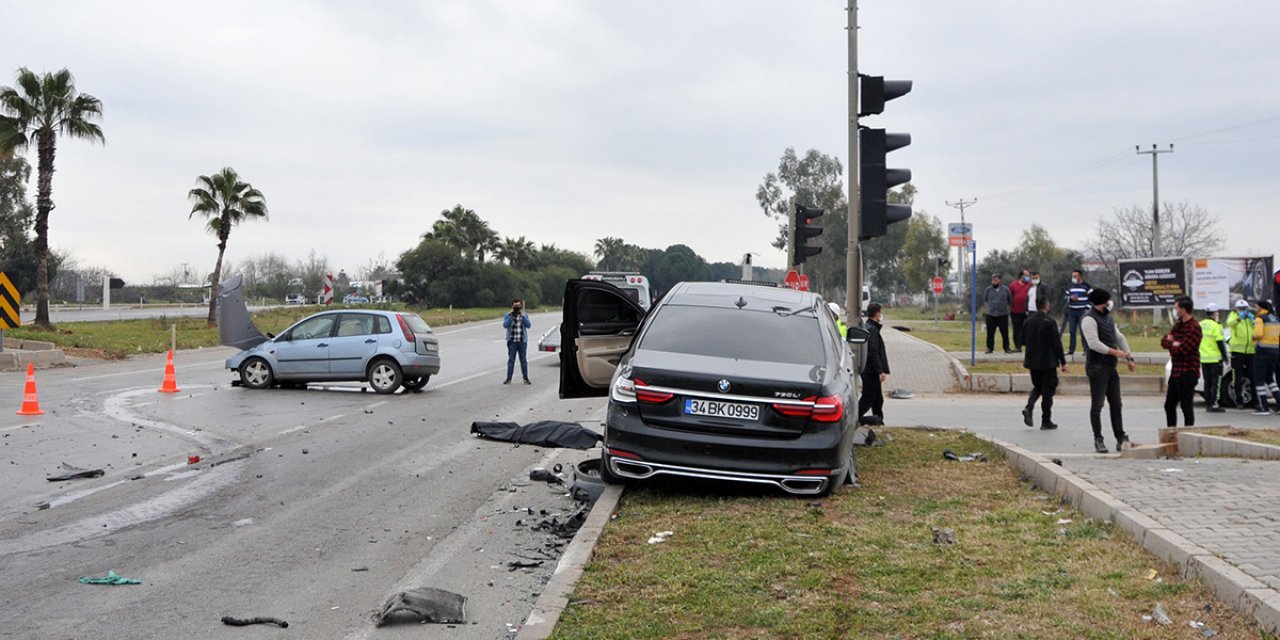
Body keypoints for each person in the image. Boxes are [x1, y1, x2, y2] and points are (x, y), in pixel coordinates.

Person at [1080, 288, 1136, 453]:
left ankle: (1120, 437)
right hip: (1097, 367)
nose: (1110, 303)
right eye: (1107, 300)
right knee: (1097, 405)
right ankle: (1098, 439)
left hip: (1111, 366)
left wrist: (1129, 357)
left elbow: (1119, 337)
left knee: (1116, 403)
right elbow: (1094, 343)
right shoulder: (1088, 319)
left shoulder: (1108, 318)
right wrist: (1116, 352)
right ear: (1101, 302)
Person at [1021, 295, 1068, 430]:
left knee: (1038, 387)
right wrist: (1063, 362)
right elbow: (1056, 343)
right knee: (1048, 391)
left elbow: (1022, 341)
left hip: (1032, 361)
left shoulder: (1028, 321)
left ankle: (1029, 407)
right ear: (1047, 306)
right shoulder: (1050, 322)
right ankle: (1046, 420)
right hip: (1048, 362)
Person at [1161, 296, 1202, 427]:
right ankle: (1171, 432)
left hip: (1188, 371)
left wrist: (1172, 343)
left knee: (1186, 406)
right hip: (1176, 371)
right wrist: (1173, 343)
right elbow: (1164, 341)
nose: (1175, 310)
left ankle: (1188, 433)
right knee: (1169, 405)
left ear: (1183, 310)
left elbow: (1184, 349)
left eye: (1176, 308)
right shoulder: (1178, 325)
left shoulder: (1194, 327)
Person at [858, 303, 889, 425]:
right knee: (868, 398)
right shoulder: (872, 330)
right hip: (871, 371)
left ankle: (879, 421)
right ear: (877, 314)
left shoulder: (870, 327)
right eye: (881, 312)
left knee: (877, 398)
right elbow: (873, 352)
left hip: (869, 370)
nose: (881, 315)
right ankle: (853, 418)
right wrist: (880, 371)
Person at [1226, 299, 1257, 410]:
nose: (1242, 310)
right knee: (1237, 377)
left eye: (1244, 309)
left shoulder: (1249, 317)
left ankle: (1255, 402)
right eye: (1240, 309)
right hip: (1237, 352)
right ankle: (1239, 401)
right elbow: (1230, 323)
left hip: (1250, 351)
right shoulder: (1233, 316)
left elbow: (1256, 328)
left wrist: (1253, 320)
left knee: (1253, 377)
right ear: (1236, 309)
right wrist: (1240, 318)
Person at [1199, 303, 1229, 413]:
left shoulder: (1200, 324)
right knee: (1216, 382)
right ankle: (1214, 404)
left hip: (1203, 358)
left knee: (1207, 382)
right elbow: (1220, 342)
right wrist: (1225, 356)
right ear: (1215, 313)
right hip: (1215, 359)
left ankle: (1208, 404)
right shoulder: (1216, 326)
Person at [1252, 300, 1280, 415]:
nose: (1255, 309)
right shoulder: (1276, 319)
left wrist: (1252, 336)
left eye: (1256, 307)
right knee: (1270, 380)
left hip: (1262, 351)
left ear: (1260, 307)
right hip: (1274, 352)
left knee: (1259, 380)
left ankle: (1263, 407)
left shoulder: (1260, 319)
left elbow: (1258, 334)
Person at [1062, 270, 1093, 356]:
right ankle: (1071, 350)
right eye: (1073, 276)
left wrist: (1087, 308)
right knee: (1072, 331)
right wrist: (1071, 299)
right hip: (1072, 311)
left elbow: (1092, 299)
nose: (1074, 278)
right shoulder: (1070, 286)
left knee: (1083, 331)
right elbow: (1065, 297)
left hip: (1082, 311)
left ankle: (1086, 350)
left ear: (1080, 277)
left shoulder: (1087, 286)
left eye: (1075, 276)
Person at [502, 298, 532, 385]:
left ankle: (525, 378)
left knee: (523, 360)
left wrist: (522, 316)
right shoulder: (508, 315)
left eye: (518, 306)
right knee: (511, 360)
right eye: (515, 306)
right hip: (512, 341)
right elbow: (505, 325)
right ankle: (509, 378)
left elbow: (528, 325)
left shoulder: (524, 315)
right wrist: (511, 316)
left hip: (522, 340)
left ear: (521, 307)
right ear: (512, 306)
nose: (516, 308)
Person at [984, 274, 1013, 354]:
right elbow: (986, 300)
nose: (994, 282)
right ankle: (990, 348)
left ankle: (1006, 348)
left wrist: (1008, 310)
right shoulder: (988, 289)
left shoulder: (1006, 290)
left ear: (1000, 281)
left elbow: (1010, 300)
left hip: (1002, 314)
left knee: (1004, 332)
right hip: (991, 314)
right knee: (990, 332)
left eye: (996, 280)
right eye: (993, 280)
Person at [1009, 268, 1032, 352]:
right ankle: (1017, 347)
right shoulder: (1013, 285)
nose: (1028, 277)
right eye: (1026, 275)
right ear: (1021, 276)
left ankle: (1028, 346)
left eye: (1028, 276)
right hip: (1015, 311)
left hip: (1027, 311)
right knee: (1016, 329)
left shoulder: (1030, 284)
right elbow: (1010, 296)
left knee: (1028, 329)